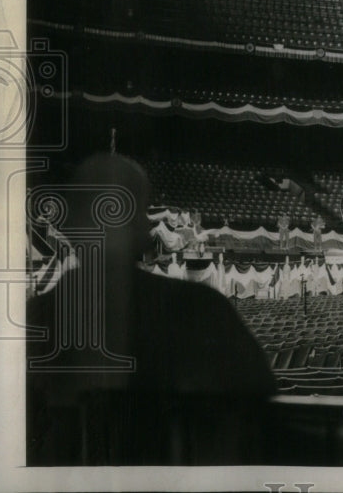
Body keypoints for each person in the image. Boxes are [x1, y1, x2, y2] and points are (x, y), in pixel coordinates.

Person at [26, 154, 276, 464]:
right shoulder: (203, 310)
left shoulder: (31, 322)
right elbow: (258, 414)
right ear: (144, 228)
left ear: (68, 226)